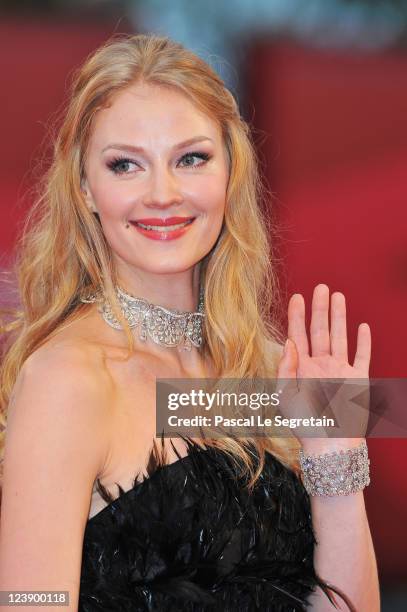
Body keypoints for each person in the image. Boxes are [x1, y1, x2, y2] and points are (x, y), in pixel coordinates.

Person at [0, 33, 379, 611]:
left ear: (230, 171)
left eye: (191, 158)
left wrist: (336, 461)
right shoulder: (66, 380)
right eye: (125, 164)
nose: (162, 193)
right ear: (85, 189)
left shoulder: (265, 370)